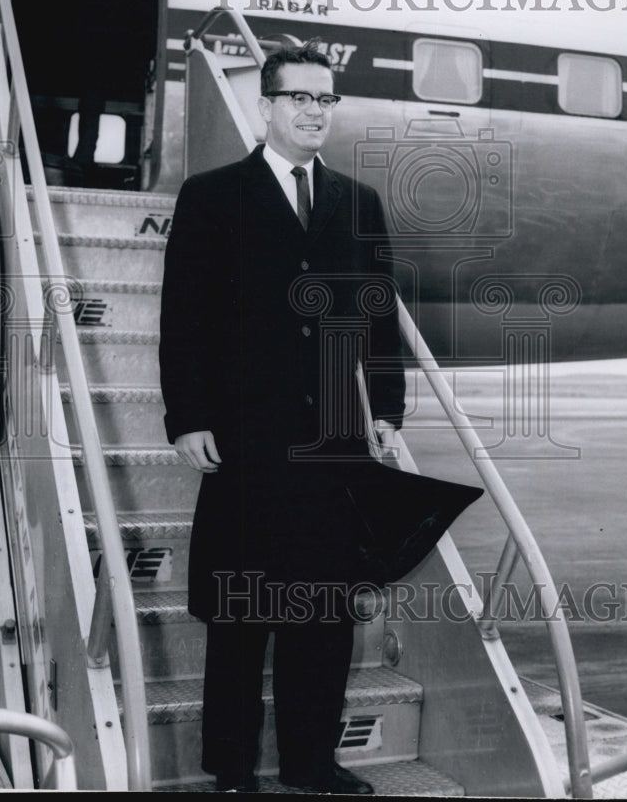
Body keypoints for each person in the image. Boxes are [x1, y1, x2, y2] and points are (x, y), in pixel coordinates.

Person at [159, 42, 481, 793]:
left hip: (334, 441)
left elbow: (373, 321)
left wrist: (388, 411)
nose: (313, 111)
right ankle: (232, 768)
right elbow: (185, 318)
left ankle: (310, 762)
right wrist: (187, 417)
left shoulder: (355, 202)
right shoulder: (212, 196)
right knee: (241, 612)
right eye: (298, 98)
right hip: (243, 437)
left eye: (324, 99)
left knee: (325, 614)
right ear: (265, 106)